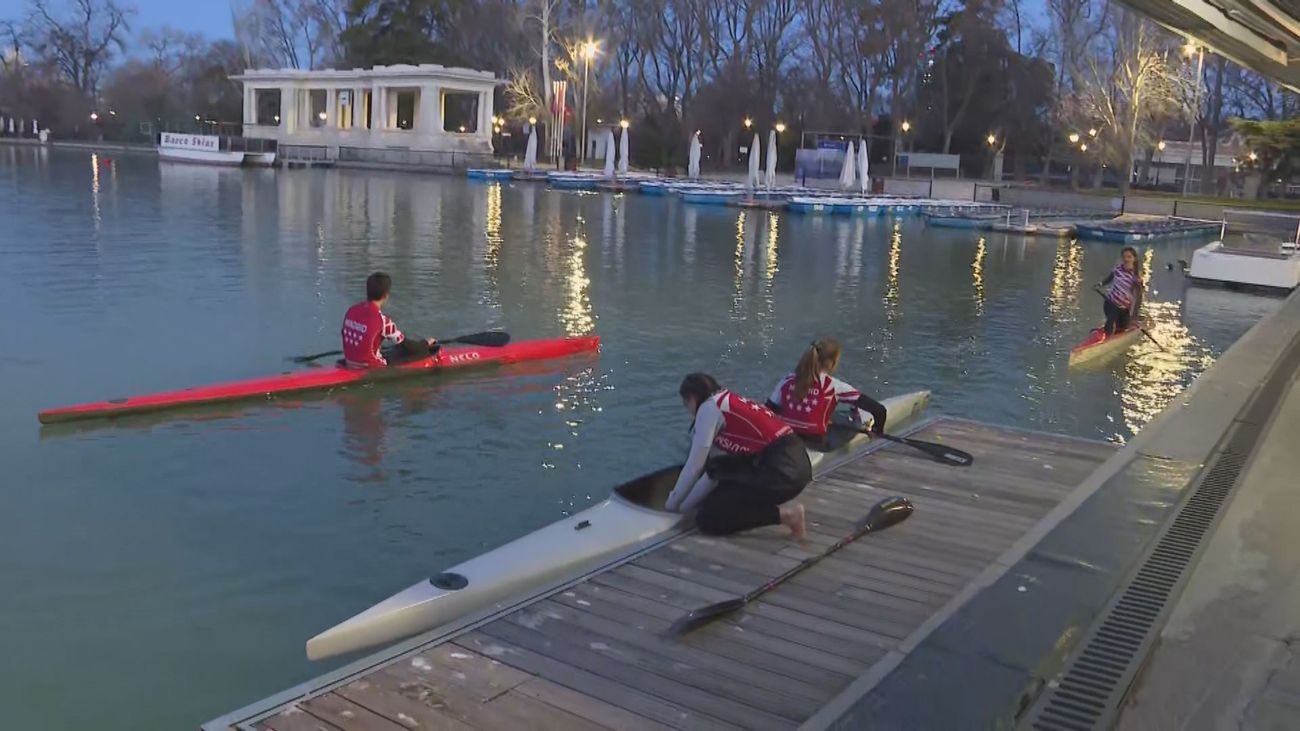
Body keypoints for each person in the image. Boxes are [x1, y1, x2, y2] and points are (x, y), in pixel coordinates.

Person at [665, 373, 811, 539]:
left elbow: (694, 467)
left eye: (686, 404)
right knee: (717, 499)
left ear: (692, 398)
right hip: (797, 466)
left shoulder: (708, 410)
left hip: (781, 470)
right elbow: (714, 472)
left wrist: (671, 506)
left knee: (708, 519)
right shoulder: (728, 403)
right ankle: (781, 513)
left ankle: (788, 516)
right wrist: (683, 508)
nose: (688, 411)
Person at [767, 338, 887, 445]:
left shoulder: (787, 380)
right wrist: (878, 431)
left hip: (788, 437)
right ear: (832, 363)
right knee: (856, 418)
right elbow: (880, 410)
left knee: (828, 416)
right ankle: (864, 424)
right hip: (818, 442)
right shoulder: (833, 386)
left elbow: (768, 411)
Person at [341, 272, 437, 369]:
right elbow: (407, 345)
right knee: (421, 352)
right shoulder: (383, 321)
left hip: (349, 362)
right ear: (386, 295)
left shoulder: (351, 311)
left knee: (395, 350)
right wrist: (425, 344)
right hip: (371, 366)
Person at [1099, 247, 1143, 336]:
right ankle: (1107, 339)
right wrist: (1100, 284)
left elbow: (1139, 296)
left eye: (1129, 257)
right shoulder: (1117, 269)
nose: (1126, 259)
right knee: (1111, 320)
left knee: (1123, 327)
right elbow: (1110, 278)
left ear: (1134, 259)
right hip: (1111, 303)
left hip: (1125, 308)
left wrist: (1135, 314)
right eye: (1124, 257)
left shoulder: (1136, 276)